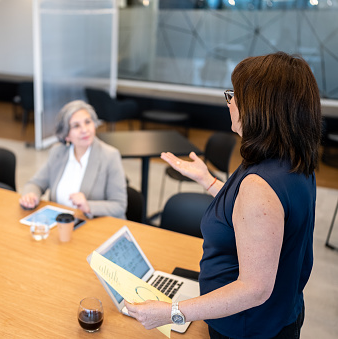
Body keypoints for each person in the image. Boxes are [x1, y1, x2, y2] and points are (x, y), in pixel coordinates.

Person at [125, 52, 321, 339]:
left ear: (257, 108)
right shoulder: (292, 159)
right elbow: (254, 220)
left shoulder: (261, 185)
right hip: (279, 314)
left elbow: (254, 289)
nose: (229, 103)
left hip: (245, 326)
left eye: (234, 96)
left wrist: (172, 312)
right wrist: (208, 181)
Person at [20, 100, 127, 219]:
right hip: (62, 224)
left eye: (88, 122)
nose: (85, 130)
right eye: (76, 126)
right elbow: (36, 183)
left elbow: (119, 205)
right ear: (66, 135)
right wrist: (31, 195)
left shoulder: (110, 156)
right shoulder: (58, 152)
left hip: (95, 226)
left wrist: (89, 206)